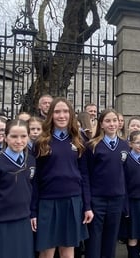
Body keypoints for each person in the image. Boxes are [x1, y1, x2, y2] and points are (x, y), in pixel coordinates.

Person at [32, 97, 93, 258]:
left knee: (67, 252)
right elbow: (35, 179)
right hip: (48, 202)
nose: (61, 115)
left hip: (72, 201)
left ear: (71, 115)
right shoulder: (41, 142)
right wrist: (33, 211)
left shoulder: (79, 140)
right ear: (50, 115)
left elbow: (85, 175)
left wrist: (87, 206)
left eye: (65, 111)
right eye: (57, 111)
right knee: (47, 252)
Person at [0, 119, 35, 258]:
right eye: (14, 136)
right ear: (6, 137)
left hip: (23, 222)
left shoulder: (31, 160)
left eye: (23, 136)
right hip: (1, 224)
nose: (19, 141)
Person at [85, 109, 128, 258]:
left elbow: (125, 174)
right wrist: (88, 203)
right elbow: (87, 175)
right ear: (101, 124)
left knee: (111, 239)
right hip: (98, 200)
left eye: (114, 120)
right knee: (95, 239)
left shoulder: (125, 145)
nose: (112, 124)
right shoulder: (92, 146)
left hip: (117, 199)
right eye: (108, 121)